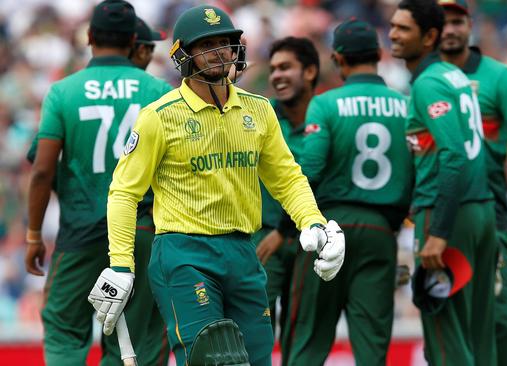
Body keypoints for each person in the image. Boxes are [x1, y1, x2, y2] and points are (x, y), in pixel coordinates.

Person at [86, 5, 345, 366]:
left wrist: (313, 222)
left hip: (243, 252)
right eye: (207, 44)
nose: (221, 52)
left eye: (225, 42)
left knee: (256, 360)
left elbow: (287, 178)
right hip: (183, 253)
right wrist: (120, 265)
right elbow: (124, 193)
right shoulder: (159, 117)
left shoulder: (259, 110)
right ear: (183, 55)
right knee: (214, 358)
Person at [25, 1, 172, 365]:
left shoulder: (64, 91)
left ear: (89, 36)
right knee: (136, 342)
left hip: (80, 233)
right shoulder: (159, 90)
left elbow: (41, 168)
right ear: (134, 40)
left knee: (64, 331)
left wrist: (32, 235)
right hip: (141, 230)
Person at [282, 18, 412, 366]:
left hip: (328, 227)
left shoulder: (325, 104)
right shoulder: (405, 105)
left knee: (308, 338)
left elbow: (308, 170)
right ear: (379, 55)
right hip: (381, 230)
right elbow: (418, 172)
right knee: (372, 345)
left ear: (338, 58)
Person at [389, 0, 497, 365]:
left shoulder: (429, 84)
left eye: (404, 29)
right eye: (393, 25)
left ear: (430, 36)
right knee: (477, 333)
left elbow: (452, 155)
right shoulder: (455, 76)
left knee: (444, 332)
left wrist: (440, 230)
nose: (393, 34)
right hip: (480, 209)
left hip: (447, 215)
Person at [438, 1, 507, 364]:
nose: (450, 29)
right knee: (447, 318)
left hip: (489, 211)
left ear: (470, 25)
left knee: (499, 317)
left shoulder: (498, 77)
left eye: (457, 21)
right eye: (443, 22)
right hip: (440, 216)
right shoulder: (426, 80)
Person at [252, 36, 320, 340]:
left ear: (310, 71)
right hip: (263, 240)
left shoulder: (328, 115)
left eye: (286, 67)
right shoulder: (258, 118)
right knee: (254, 329)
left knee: (305, 334)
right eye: (274, 68)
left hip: (311, 240)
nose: (277, 75)